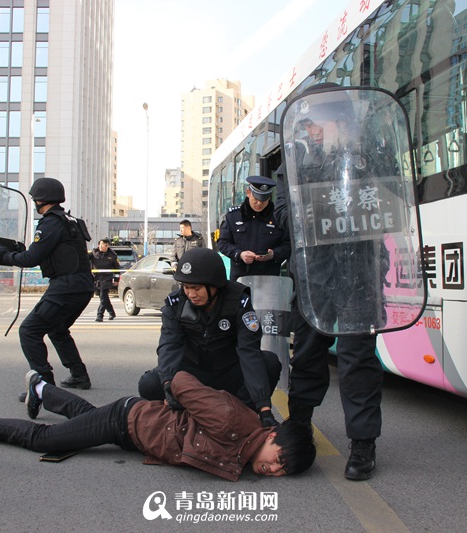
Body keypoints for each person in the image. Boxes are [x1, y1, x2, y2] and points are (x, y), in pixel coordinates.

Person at [275, 84, 392, 481]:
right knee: (306, 354)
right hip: (315, 274)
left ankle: (363, 443)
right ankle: (300, 422)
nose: (312, 131)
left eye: (317, 122)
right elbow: (281, 210)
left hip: (360, 271)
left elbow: (390, 197)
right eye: (306, 124)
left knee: (358, 359)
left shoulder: (369, 152)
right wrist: (307, 217)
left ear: (340, 118)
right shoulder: (295, 158)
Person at [0, 370, 316, 481]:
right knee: (47, 440)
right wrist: (172, 404)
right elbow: (183, 381)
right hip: (128, 421)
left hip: (135, 435)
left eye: (283, 470)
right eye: (279, 458)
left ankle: (40, 387)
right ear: (272, 434)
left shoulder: (246, 445)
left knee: (83, 414)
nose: (274, 469)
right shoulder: (234, 421)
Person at [137, 247, 282, 427]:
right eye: (186, 287)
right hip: (194, 375)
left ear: (214, 285)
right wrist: (168, 384)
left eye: (196, 288)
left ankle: (242, 415)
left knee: (269, 362)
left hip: (228, 373)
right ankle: (184, 415)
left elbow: (249, 352)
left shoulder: (238, 303)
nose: (190, 294)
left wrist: (264, 408)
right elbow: (169, 345)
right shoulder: (176, 305)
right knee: (149, 383)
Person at [0, 177, 95, 393]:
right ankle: (79, 375)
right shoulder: (70, 220)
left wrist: (5, 256)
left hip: (66, 287)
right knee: (57, 329)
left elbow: (31, 258)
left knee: (29, 330)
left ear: (41, 199)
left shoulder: (51, 222)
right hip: (82, 286)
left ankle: (44, 387)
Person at [217, 175, 291, 280]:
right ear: (248, 193)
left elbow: (288, 245)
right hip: (240, 281)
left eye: (264, 200)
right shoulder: (234, 216)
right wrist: (240, 254)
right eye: (256, 198)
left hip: (270, 280)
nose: (259, 203)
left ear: (269, 197)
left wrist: (274, 254)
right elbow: (222, 243)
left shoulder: (278, 217)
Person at [90, 237, 120, 322]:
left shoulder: (112, 255)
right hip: (96, 278)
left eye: (105, 245)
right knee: (103, 297)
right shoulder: (94, 253)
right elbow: (85, 259)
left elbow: (117, 268)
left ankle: (100, 315)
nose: (103, 246)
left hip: (107, 278)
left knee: (103, 297)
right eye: (101, 244)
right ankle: (112, 312)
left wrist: (116, 279)